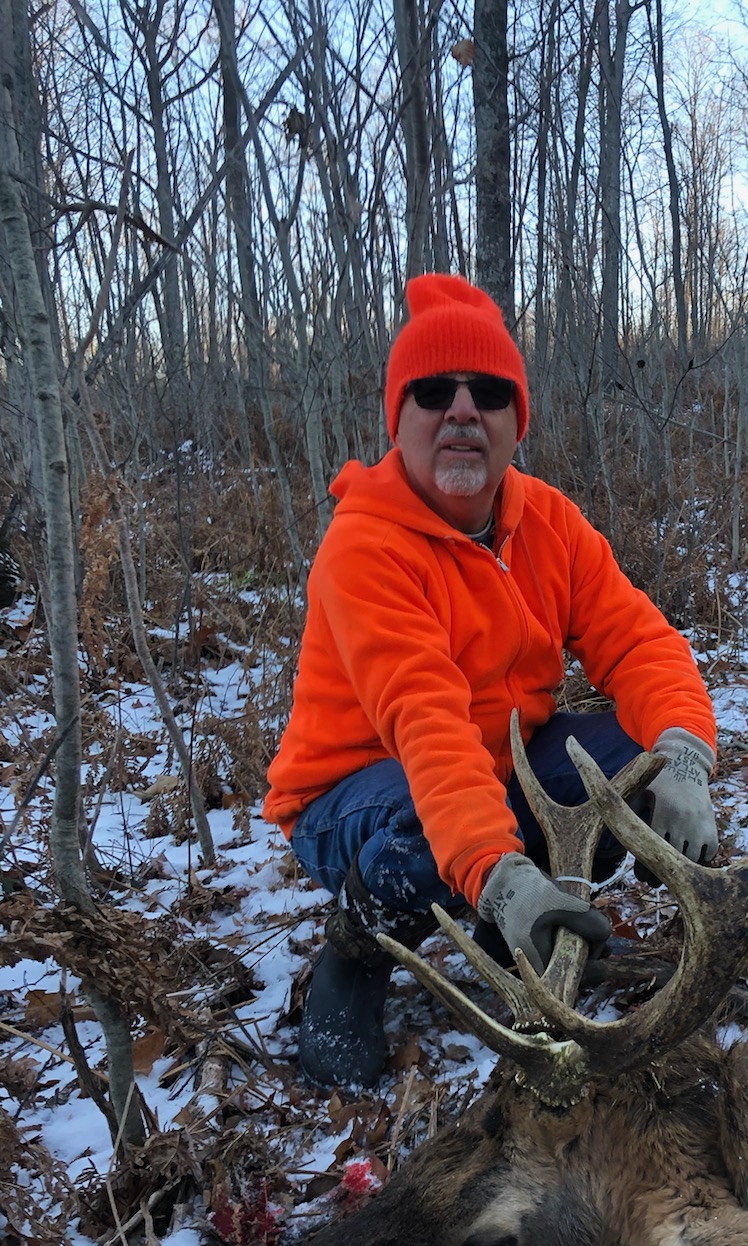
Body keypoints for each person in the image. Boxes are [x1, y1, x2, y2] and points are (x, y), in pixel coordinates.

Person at [264, 275, 719, 1087]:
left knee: (634, 757)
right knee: (421, 827)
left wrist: (683, 754)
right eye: (434, 392)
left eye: (490, 394)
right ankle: (358, 946)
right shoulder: (364, 548)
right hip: (354, 798)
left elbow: (639, 640)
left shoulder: (548, 521)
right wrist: (495, 875)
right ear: (398, 421)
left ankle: (530, 900)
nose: (463, 412)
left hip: (491, 766)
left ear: (516, 421)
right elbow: (425, 723)